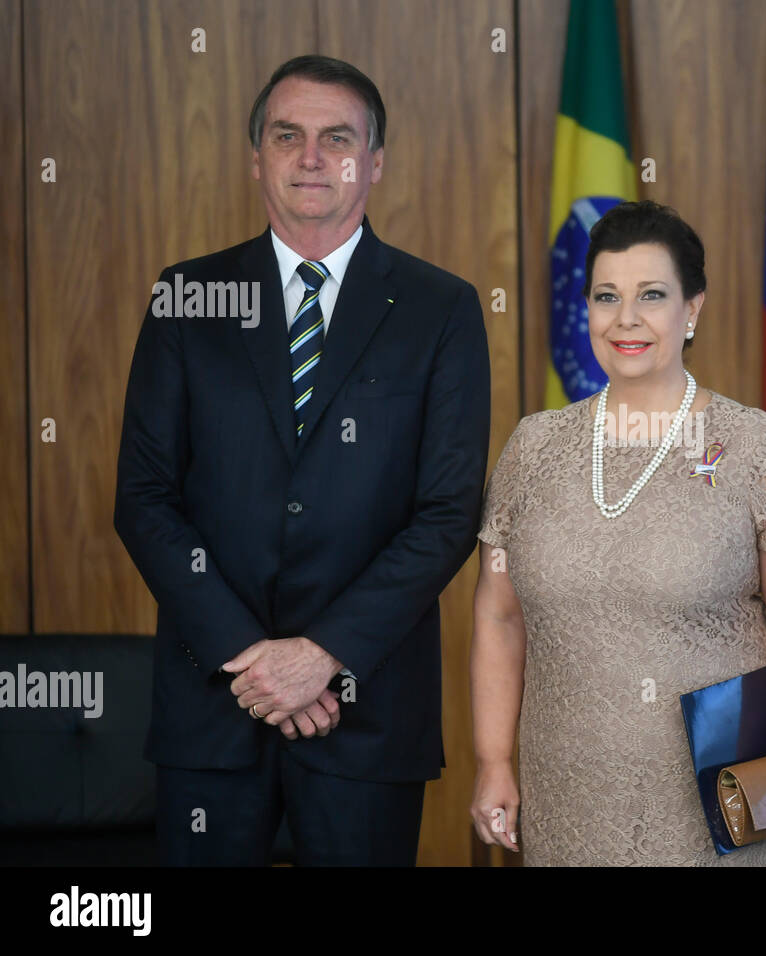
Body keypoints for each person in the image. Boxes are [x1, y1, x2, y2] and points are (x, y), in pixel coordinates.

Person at [114, 54, 490, 865]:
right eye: (288, 136)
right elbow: (143, 498)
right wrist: (253, 662)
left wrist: (321, 657)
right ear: (257, 157)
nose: (312, 157)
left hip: (366, 714)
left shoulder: (442, 309)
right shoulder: (186, 298)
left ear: (375, 162)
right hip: (213, 706)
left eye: (337, 138)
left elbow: (449, 513)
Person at [470, 200, 766, 865]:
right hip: (569, 806)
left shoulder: (755, 447)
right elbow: (499, 617)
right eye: (606, 296)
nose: (626, 319)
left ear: (691, 309)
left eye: (652, 295)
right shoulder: (533, 447)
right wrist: (493, 760)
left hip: (714, 807)